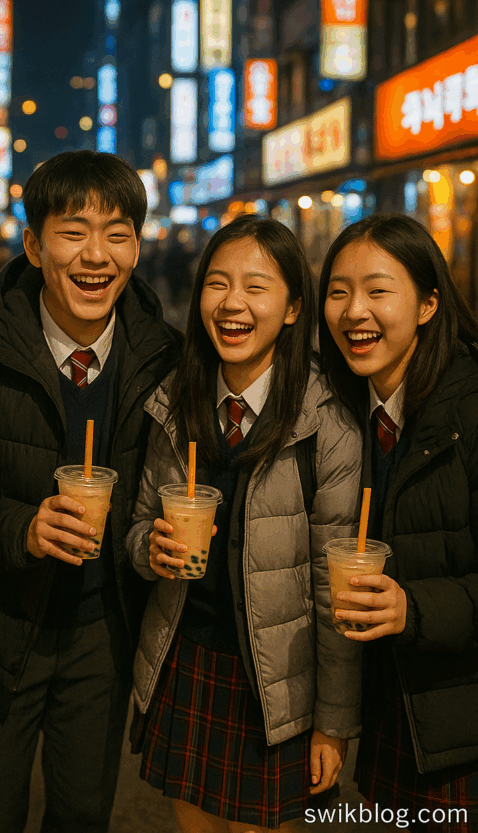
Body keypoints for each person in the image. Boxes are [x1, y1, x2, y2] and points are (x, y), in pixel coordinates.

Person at [0, 151, 182, 833]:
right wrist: (22, 526)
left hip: (101, 630)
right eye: (72, 230)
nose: (95, 254)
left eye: (116, 233)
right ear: (32, 245)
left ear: (138, 246)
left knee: (83, 813)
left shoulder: (165, 357)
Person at [127, 216, 363, 833]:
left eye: (257, 287)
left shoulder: (325, 423)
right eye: (218, 283)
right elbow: (138, 526)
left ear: (291, 309)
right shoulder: (176, 400)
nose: (233, 303)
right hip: (185, 663)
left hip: (277, 690)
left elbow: (335, 588)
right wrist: (148, 549)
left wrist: (333, 724)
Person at [319, 214, 478, 832]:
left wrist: (413, 609)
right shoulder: (346, 412)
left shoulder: (467, 409)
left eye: (378, 291)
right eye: (338, 291)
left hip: (460, 725)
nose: (355, 311)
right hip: (393, 719)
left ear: (429, 303)